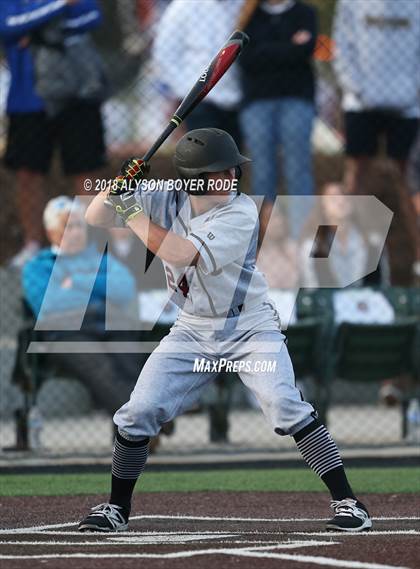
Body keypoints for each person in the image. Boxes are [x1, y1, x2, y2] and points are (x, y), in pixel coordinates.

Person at [78, 127, 372, 533]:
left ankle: (350, 502)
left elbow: (181, 253)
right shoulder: (165, 195)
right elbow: (94, 216)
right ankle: (116, 508)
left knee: (285, 405)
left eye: (231, 170)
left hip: (249, 327)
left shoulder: (240, 211)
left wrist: (129, 209)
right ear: (192, 178)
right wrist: (118, 185)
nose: (230, 178)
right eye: (218, 172)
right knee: (137, 413)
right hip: (191, 329)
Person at [0, 0, 106, 268]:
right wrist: (61, 5)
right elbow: (7, 25)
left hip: (77, 95)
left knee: (86, 170)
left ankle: (89, 244)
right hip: (28, 100)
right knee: (28, 173)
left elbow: (92, 17)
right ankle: (33, 245)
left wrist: (37, 30)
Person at [22, 196, 139, 416]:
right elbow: (49, 304)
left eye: (78, 225)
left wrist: (77, 282)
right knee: (102, 368)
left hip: (107, 325)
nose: (75, 231)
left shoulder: (102, 259)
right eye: (67, 226)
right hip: (65, 333)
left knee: (128, 363)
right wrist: (99, 292)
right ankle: (148, 420)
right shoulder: (38, 266)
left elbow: (125, 289)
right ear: (50, 233)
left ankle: (134, 431)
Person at [333, 0, 420, 278]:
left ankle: (414, 265)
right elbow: (341, 47)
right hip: (360, 102)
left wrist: (412, 91)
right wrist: (357, 89)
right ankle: (337, 268)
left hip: (408, 104)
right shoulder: (351, 3)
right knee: (355, 179)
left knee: (408, 184)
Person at [237, 0, 318, 240]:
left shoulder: (305, 13)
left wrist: (265, 50)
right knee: (262, 171)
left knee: (298, 168)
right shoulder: (248, 16)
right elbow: (246, 58)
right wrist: (289, 47)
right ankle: (265, 241)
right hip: (257, 102)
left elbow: (307, 50)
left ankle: (302, 241)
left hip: (297, 99)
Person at [152, 0, 244, 145]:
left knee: (232, 159)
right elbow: (164, 53)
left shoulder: (243, 5)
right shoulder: (184, 6)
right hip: (200, 100)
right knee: (204, 158)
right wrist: (188, 91)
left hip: (237, 97)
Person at [299, 181, 390, 288]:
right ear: (322, 207)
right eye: (333, 197)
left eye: (344, 195)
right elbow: (311, 287)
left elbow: (384, 283)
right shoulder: (312, 247)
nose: (341, 200)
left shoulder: (374, 242)